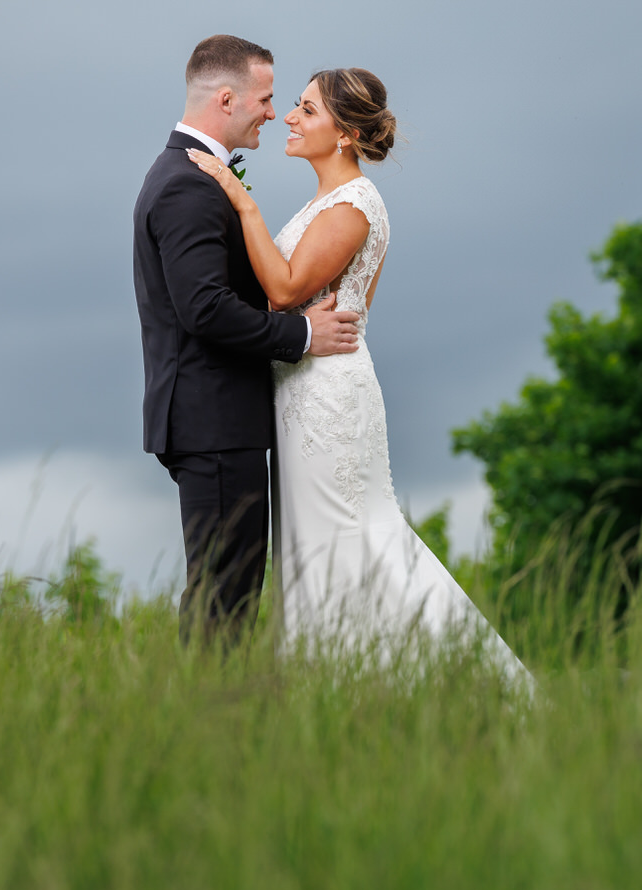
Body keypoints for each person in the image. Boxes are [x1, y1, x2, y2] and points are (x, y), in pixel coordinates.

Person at [186, 68, 531, 682]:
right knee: (316, 542)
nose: (290, 117)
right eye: (292, 106)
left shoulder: (355, 204)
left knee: (350, 536)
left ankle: (458, 677)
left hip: (327, 395)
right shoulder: (325, 201)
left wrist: (242, 204)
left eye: (307, 110)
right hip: (299, 387)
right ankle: (336, 681)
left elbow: (288, 288)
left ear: (344, 134)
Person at [133, 35, 362, 646]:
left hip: (217, 419)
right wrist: (303, 334)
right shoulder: (186, 184)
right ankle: (203, 726)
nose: (273, 112)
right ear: (228, 98)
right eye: (264, 99)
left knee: (227, 590)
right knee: (222, 596)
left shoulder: (192, 175)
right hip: (213, 420)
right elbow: (205, 309)